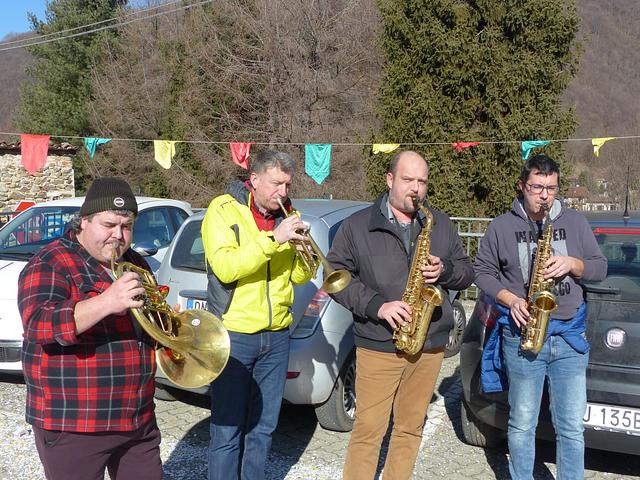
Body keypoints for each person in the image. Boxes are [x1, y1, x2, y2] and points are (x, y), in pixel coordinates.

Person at [326, 150, 474, 479]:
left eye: (422, 181)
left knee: (410, 428)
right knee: (368, 432)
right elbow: (336, 278)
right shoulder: (357, 226)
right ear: (390, 179)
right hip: (378, 343)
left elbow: (467, 272)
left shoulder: (441, 223)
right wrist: (377, 305)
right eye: (408, 179)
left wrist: (446, 270)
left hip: (429, 344)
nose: (415, 188)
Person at [17, 177, 162, 480]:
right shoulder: (51, 261)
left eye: (127, 226)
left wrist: (167, 328)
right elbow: (38, 324)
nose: (118, 235)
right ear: (84, 221)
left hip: (137, 418)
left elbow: (149, 324)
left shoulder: (135, 262)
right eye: (109, 224)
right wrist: (106, 302)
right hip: (75, 424)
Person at [475, 154, 607, 480]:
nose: (545, 196)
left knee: (571, 427)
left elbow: (600, 268)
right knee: (522, 424)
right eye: (537, 187)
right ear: (522, 186)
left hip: (569, 338)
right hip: (523, 335)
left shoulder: (574, 222)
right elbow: (482, 272)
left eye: (551, 188)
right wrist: (510, 300)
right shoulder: (501, 226)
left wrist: (573, 264)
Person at [201, 150, 313, 480]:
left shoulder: (289, 215)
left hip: (277, 336)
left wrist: (306, 254)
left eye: (287, 185)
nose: (283, 192)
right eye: (276, 183)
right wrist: (273, 240)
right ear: (254, 180)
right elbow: (225, 267)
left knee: (263, 428)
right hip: (234, 334)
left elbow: (298, 277)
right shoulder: (222, 210)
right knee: (227, 429)